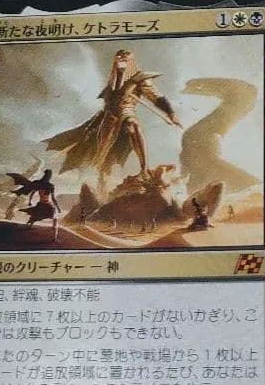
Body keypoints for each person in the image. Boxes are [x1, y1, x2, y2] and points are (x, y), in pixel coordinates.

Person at [44, 49, 182, 194]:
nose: (121, 60)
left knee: (133, 126)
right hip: (108, 118)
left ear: (131, 61)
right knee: (103, 150)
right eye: (119, 58)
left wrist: (171, 113)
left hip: (127, 112)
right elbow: (109, 100)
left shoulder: (140, 78)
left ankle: (144, 169)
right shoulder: (112, 80)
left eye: (125, 58)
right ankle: (102, 178)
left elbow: (156, 97)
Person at [16, 169, 62, 241]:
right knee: (55, 219)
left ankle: (29, 226)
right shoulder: (50, 186)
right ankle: (55, 238)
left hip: (40, 205)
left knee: (36, 214)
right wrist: (58, 207)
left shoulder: (38, 184)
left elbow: (32, 193)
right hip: (47, 205)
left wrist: (30, 201)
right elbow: (53, 198)